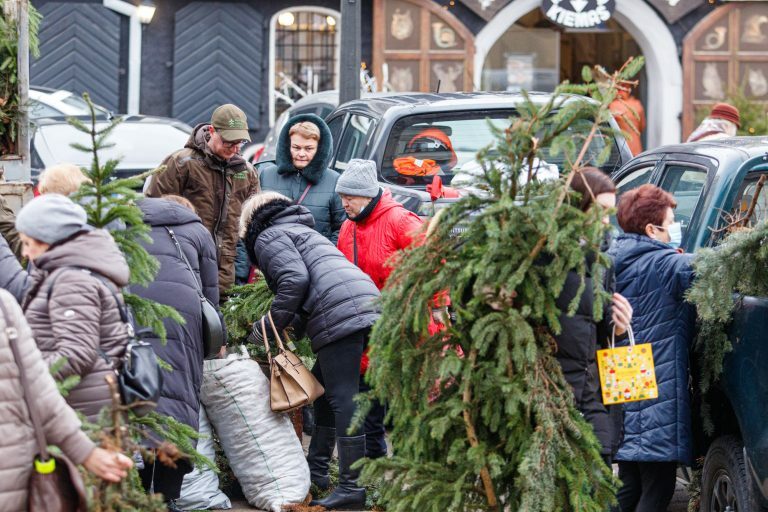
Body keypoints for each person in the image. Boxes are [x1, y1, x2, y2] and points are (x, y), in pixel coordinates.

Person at [240, 192, 380, 510]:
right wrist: (294, 328)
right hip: (367, 299)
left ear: (249, 221)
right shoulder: (303, 231)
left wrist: (264, 327)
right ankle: (317, 472)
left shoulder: (267, 235)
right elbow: (310, 284)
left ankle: (351, 489)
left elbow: (294, 280)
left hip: (341, 310)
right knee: (324, 390)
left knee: (342, 397)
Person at [0, 288, 133, 511]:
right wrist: (86, 452)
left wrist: (86, 451)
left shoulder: (5, 306)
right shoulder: (4, 305)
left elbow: (40, 389)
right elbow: (40, 392)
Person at [608, 184, 696, 512]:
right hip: (655, 388)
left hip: (625, 379)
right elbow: (707, 269)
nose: (675, 229)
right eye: (671, 222)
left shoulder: (614, 257)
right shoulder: (664, 264)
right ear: (651, 228)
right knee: (658, 486)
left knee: (629, 483)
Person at [132, 195, 220, 511]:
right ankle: (168, 497)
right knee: (180, 400)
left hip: (135, 309)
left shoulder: (125, 223)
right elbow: (211, 292)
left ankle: (138, 492)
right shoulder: (196, 229)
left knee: (139, 395)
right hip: (184, 315)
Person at [334, 159, 424, 460]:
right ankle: (373, 462)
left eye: (350, 197)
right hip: (362, 322)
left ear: (368, 195)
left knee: (399, 396)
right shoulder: (348, 227)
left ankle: (409, 464)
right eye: (342, 196)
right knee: (367, 393)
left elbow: (432, 264)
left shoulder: (400, 221)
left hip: (399, 322)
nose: (344, 203)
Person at [15, 194, 131, 423]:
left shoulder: (72, 280)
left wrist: (19, 377)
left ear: (48, 239)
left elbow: (76, 354)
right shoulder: (72, 271)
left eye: (28, 243)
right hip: (81, 405)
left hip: (80, 412)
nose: (24, 253)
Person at [553, 168, 633, 466]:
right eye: (598, 211)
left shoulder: (603, 263)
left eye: (608, 214)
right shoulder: (544, 259)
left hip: (593, 397)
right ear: (575, 206)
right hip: (551, 399)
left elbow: (603, 338)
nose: (604, 222)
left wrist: (620, 329)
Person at [146, 104, 261, 299]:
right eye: (228, 142)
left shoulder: (247, 172)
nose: (234, 149)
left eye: (239, 143)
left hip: (228, 277)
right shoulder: (181, 163)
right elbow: (153, 211)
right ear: (212, 131)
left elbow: (253, 224)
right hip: (185, 270)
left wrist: (244, 271)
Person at [258, 114, 345, 244]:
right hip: (274, 259)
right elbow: (254, 222)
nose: (301, 154)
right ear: (288, 147)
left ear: (319, 149)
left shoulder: (334, 180)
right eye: (296, 148)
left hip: (317, 260)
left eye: (309, 148)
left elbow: (341, 228)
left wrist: (324, 254)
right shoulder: (267, 176)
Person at [610, 87, 646, 156]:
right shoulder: (638, 104)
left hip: (621, 148)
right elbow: (642, 126)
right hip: (636, 148)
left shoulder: (613, 105)